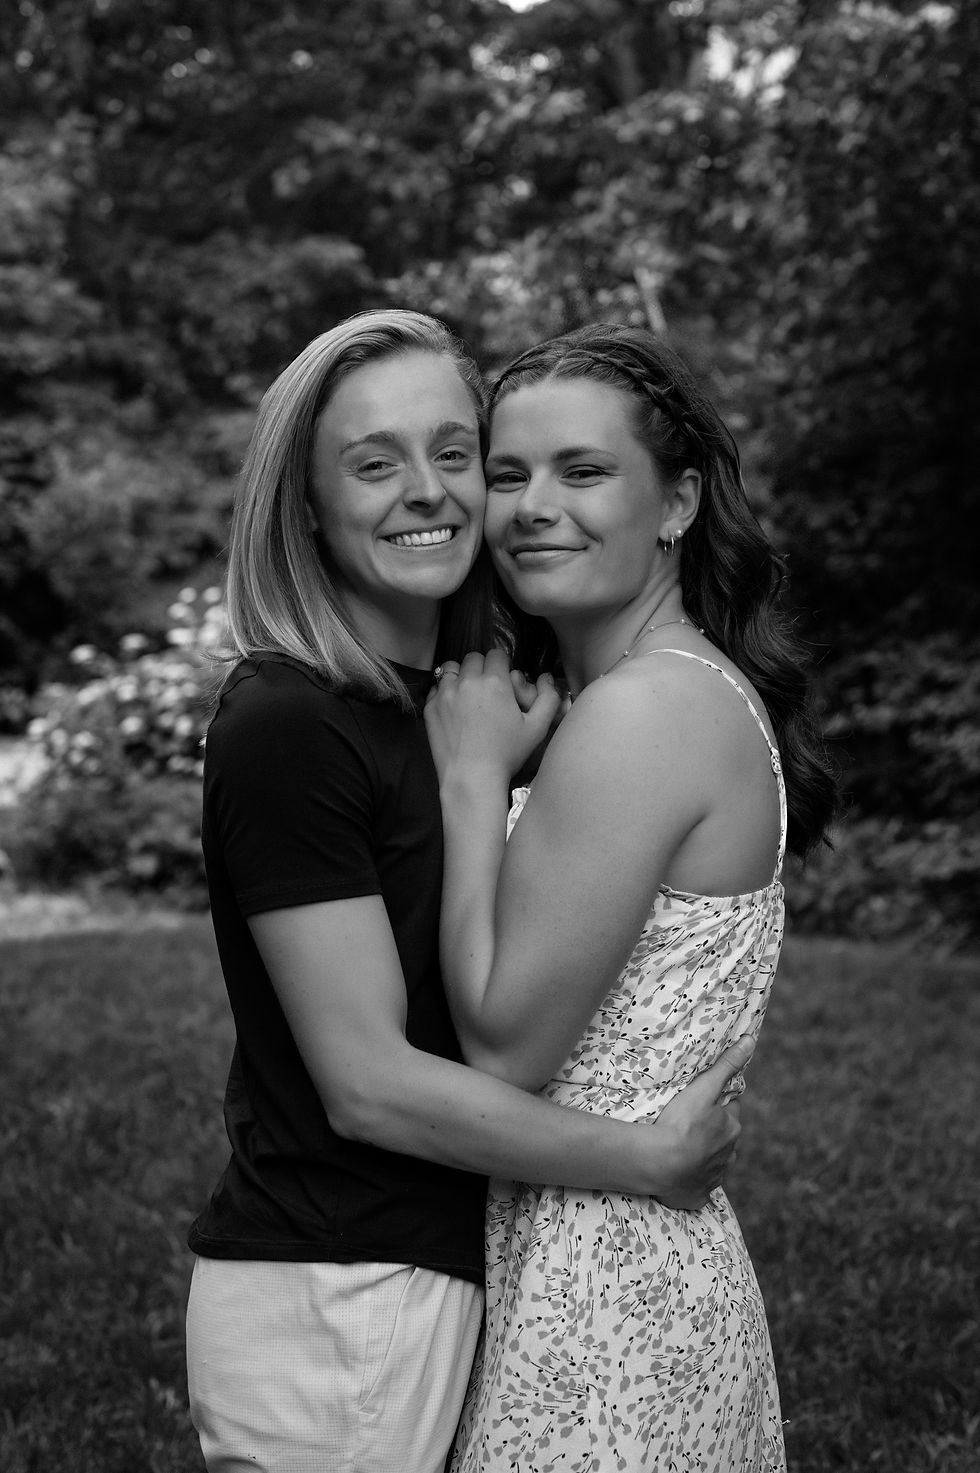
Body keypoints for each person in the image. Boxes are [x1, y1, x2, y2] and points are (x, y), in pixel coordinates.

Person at [183, 309, 757, 1473]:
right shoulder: (289, 720)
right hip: (340, 1290)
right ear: (304, 503)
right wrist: (641, 1159)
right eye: (372, 464)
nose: (428, 491)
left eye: (454, 453)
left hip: (453, 1273)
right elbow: (366, 1085)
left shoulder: (457, 706)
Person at [424, 323, 839, 1472]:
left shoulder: (642, 711)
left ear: (676, 503)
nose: (531, 508)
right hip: (639, 1267)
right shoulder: (675, 689)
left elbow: (503, 1046)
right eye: (508, 474)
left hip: (604, 1298)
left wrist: (469, 781)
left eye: (582, 471)